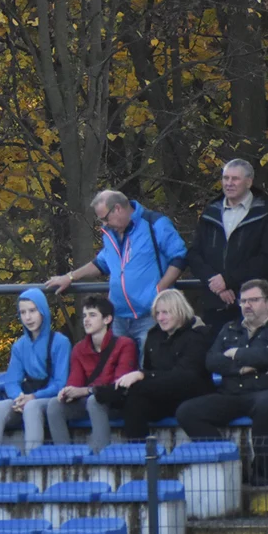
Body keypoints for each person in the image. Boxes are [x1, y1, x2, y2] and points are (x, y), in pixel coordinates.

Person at [176, 280, 268, 485]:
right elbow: (211, 360)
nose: (247, 305)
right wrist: (242, 367)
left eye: (254, 300)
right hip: (232, 393)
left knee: (265, 407)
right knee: (187, 412)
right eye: (243, 301)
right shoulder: (229, 328)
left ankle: (261, 472)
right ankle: (230, 461)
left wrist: (237, 353)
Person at [45, 190, 187, 356]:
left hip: (151, 315)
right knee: (118, 372)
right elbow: (102, 263)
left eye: (105, 218)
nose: (104, 224)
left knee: (147, 371)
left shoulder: (155, 224)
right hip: (118, 317)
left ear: (118, 208)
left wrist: (158, 291)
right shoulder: (110, 234)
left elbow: (179, 257)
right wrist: (70, 277)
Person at [187, 159, 268, 339]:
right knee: (217, 360)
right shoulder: (210, 213)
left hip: (253, 304)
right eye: (225, 178)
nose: (229, 183)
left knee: (253, 361)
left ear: (249, 182)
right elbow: (194, 254)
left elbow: (266, 258)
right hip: (215, 304)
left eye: (235, 179)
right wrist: (216, 284)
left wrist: (228, 280)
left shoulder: (265, 214)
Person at [114, 290, 215, 440]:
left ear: (179, 311)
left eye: (165, 313)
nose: (160, 318)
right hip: (163, 394)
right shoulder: (154, 335)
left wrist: (143, 375)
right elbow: (150, 369)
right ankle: (137, 452)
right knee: (133, 398)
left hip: (192, 394)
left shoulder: (197, 335)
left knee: (136, 388)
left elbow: (186, 376)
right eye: (158, 313)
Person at [43, 295, 137, 453]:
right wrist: (68, 392)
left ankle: (100, 454)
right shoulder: (79, 349)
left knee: (95, 400)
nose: (86, 320)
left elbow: (119, 385)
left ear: (107, 319)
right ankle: (64, 457)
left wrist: (87, 391)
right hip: (88, 400)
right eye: (85, 315)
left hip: (114, 401)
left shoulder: (125, 345)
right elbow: (75, 382)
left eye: (92, 315)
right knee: (54, 405)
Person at [0, 289, 71, 451]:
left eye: (32, 311)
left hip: (49, 398)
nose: (28, 317)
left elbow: (60, 383)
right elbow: (11, 381)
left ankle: (32, 458)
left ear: (42, 311)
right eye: (23, 312)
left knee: (32, 407)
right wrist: (19, 398)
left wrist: (33, 397)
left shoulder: (60, 342)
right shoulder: (19, 345)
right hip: (26, 397)